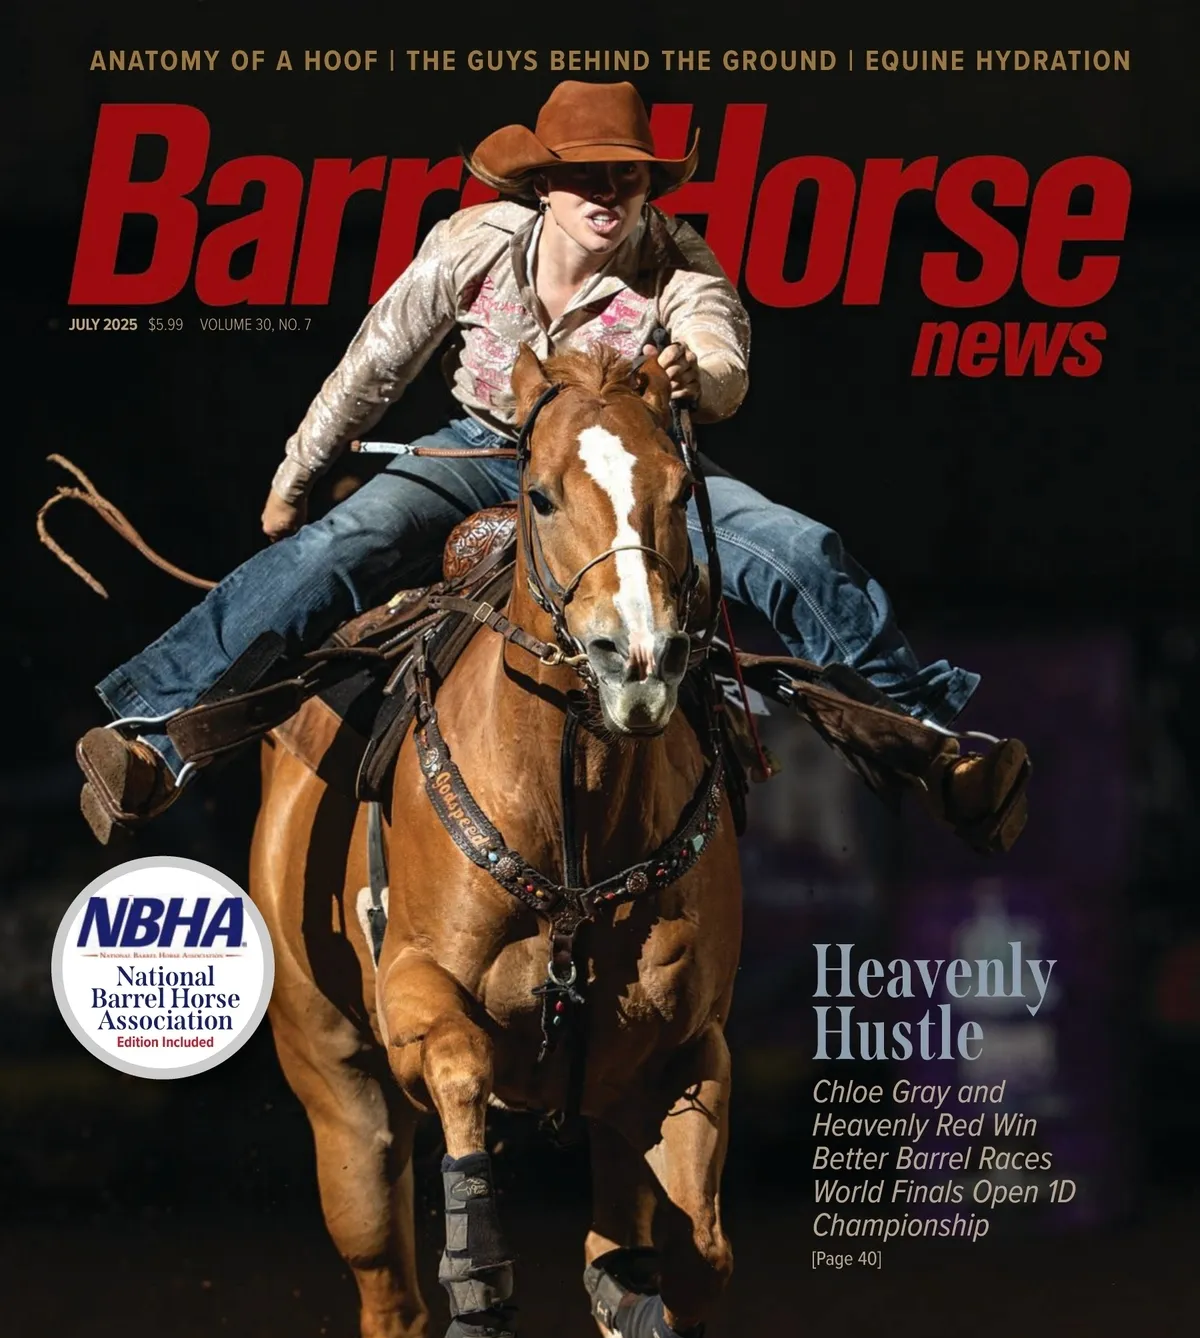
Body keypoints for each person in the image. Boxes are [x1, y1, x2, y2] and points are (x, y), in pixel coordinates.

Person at [76, 79, 1029, 850]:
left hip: (632, 469)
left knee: (798, 550)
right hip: (483, 448)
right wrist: (296, 476)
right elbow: (373, 365)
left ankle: (936, 745)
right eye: (586, 176)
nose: (607, 193)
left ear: (648, 186)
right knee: (340, 545)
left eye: (627, 176)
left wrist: (692, 373)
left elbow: (724, 359)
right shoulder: (469, 245)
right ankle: (158, 736)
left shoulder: (679, 263)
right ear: (542, 186)